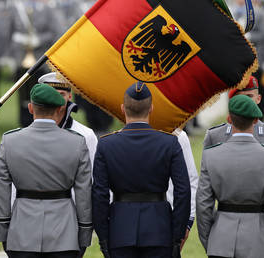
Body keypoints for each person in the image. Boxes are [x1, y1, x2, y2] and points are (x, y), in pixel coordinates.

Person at [0, 83, 92, 258]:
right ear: (60, 108)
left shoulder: (10, 140)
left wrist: (3, 232)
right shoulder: (77, 142)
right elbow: (84, 192)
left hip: (21, 231)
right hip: (64, 233)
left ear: (30, 108)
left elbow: (0, 190)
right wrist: (84, 234)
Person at [92, 81, 191, 258]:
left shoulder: (107, 145)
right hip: (159, 229)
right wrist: (176, 235)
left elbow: (100, 195)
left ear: (123, 108)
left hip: (120, 230)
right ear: (151, 108)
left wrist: (104, 237)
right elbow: (183, 191)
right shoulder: (168, 143)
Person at [196, 94, 264, 258]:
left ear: (229, 119)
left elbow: (203, 205)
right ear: (255, 120)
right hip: (259, 241)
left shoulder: (211, 155)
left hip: (220, 241)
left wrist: (210, 241)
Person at [203, 76, 264, 225]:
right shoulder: (215, 136)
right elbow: (206, 190)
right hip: (225, 221)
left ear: (258, 99)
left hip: (263, 221)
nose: (246, 102)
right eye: (240, 98)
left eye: (250, 97)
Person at [38, 72, 98, 165]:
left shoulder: (86, 135)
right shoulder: (28, 134)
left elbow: (91, 175)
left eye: (61, 95)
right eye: (52, 95)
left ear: (69, 97)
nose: (56, 100)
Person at [167, 128, 199, 250]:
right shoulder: (120, 138)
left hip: (170, 216)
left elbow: (191, 179)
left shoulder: (179, 136)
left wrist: (188, 220)